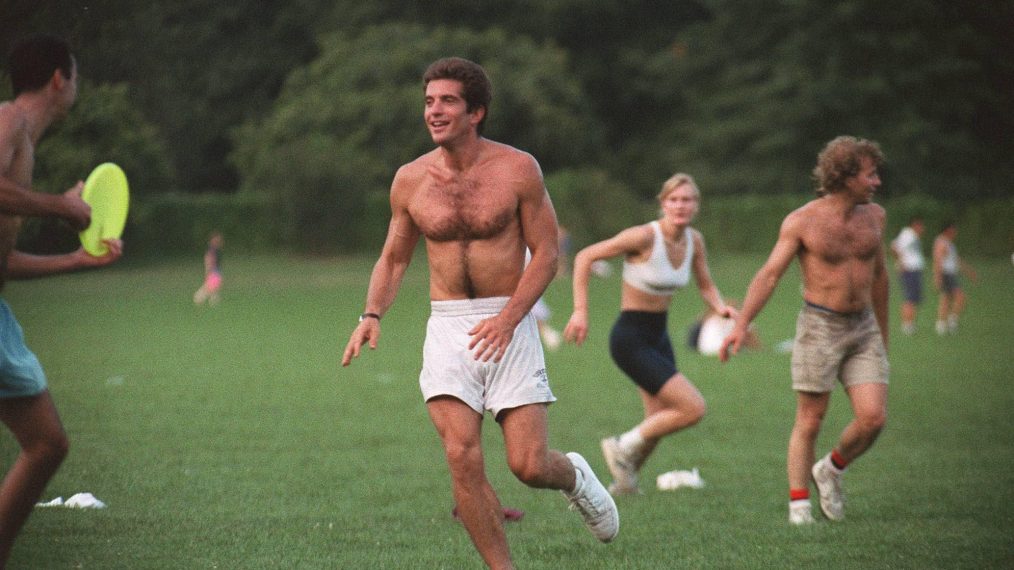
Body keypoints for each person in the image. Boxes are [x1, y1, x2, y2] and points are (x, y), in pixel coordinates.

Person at [341, 57, 617, 569]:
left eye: (447, 101)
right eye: (429, 101)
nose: (434, 111)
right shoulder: (410, 180)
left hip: (508, 321)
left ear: (477, 112)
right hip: (447, 327)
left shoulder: (518, 169)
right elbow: (395, 256)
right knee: (461, 457)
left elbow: (548, 252)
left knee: (528, 466)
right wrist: (372, 314)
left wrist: (511, 318)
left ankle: (574, 476)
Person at [720, 136, 889, 526]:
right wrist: (741, 325)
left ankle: (830, 468)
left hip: (863, 326)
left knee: (873, 418)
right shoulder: (802, 221)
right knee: (810, 419)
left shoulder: (875, 218)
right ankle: (799, 506)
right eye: (870, 174)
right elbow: (769, 275)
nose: (877, 182)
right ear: (845, 176)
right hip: (820, 327)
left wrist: (882, 333)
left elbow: (880, 277)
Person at [0, 35, 124, 566]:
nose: (76, 84)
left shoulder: (22, 137)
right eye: (74, 74)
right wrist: (60, 207)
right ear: (59, 78)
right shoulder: (9, 121)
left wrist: (75, 261)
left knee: (48, 442)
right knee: (47, 443)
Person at [563, 173, 735, 495]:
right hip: (630, 337)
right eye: (674, 199)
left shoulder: (694, 241)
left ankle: (624, 484)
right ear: (663, 203)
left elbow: (706, 284)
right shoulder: (643, 236)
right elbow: (586, 256)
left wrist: (722, 308)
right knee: (692, 408)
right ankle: (619, 445)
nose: (681, 206)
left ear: (696, 205)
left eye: (687, 200)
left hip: (659, 334)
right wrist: (581, 310)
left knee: (656, 420)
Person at [932, 221, 976, 335]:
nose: (956, 232)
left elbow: (956, 260)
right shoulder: (941, 242)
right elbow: (938, 260)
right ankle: (947, 322)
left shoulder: (949, 243)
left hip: (951, 273)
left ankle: (944, 323)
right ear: (948, 230)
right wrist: (938, 276)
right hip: (946, 274)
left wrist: (968, 271)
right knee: (956, 297)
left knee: (947, 298)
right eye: (953, 229)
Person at [889, 216, 925, 335]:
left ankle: (910, 324)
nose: (923, 228)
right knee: (909, 297)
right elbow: (894, 246)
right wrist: (901, 262)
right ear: (915, 225)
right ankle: (906, 325)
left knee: (913, 298)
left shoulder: (913, 236)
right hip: (909, 270)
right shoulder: (908, 234)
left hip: (914, 270)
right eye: (921, 225)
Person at [689, 299, 760, 357]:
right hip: (720, 351)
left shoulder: (709, 320)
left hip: (703, 350)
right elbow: (750, 335)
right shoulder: (732, 319)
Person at [193, 231, 223, 305]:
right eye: (217, 239)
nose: (218, 241)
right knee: (209, 288)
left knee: (214, 288)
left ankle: (213, 302)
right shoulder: (211, 250)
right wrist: (208, 271)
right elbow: (208, 260)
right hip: (213, 271)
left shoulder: (216, 249)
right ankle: (198, 298)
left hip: (216, 271)